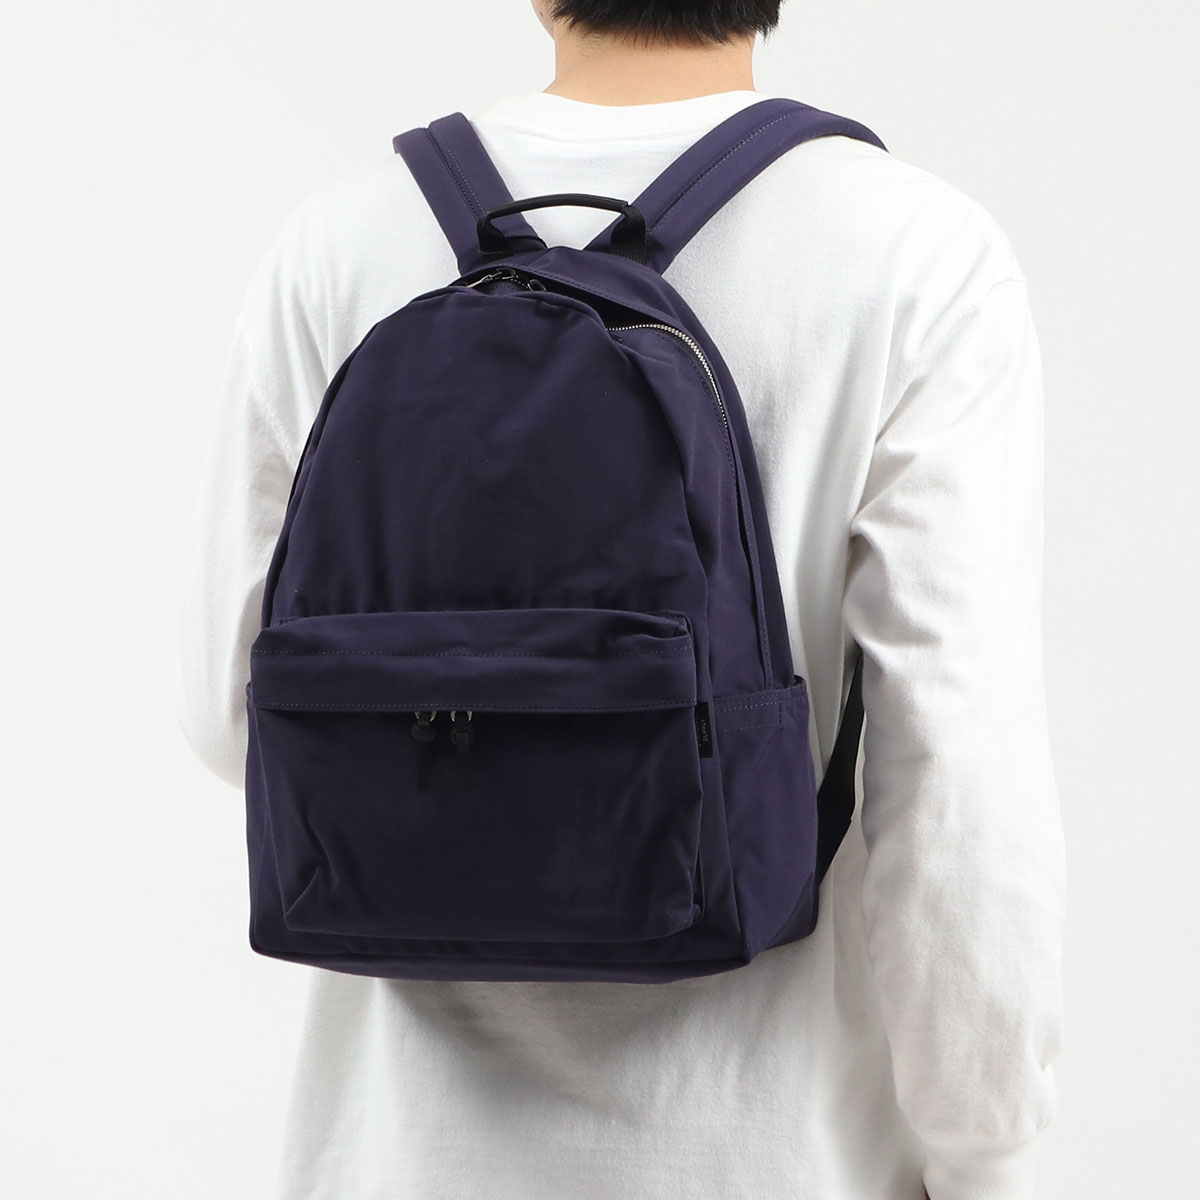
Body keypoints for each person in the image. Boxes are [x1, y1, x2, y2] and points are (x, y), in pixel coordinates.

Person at [175, 1, 1067, 1197]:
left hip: (390, 1156)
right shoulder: (916, 252)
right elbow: (958, 781)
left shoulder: (339, 243)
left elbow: (228, 711)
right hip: (776, 1158)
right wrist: (985, 1159)